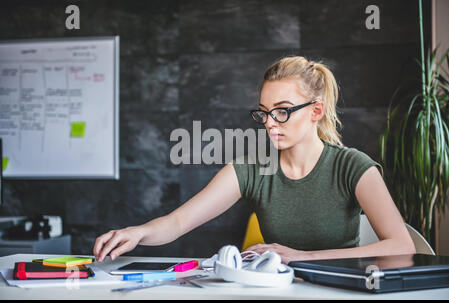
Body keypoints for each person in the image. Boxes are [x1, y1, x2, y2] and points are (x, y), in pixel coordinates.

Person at [93, 56, 416, 264]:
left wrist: (303, 257)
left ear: (315, 111)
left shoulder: (352, 166)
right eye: (264, 112)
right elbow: (178, 223)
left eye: (283, 111)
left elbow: (401, 245)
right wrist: (138, 233)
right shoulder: (251, 167)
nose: (270, 122)